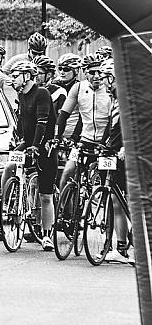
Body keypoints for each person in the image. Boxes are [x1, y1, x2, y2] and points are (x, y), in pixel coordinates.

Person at [1, 61, 58, 251]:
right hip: (30, 142)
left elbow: (42, 122)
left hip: (45, 145)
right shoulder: (21, 95)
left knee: (45, 195)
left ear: (26, 76)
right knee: (10, 166)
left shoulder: (41, 93)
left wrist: (35, 146)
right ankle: (10, 205)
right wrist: (16, 142)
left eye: (15, 75)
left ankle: (47, 234)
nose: (12, 79)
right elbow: (22, 122)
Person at [55, 54, 111, 192]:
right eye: (92, 72)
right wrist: (56, 137)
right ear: (85, 72)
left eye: (100, 72)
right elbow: (63, 115)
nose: (97, 76)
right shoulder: (78, 88)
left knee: (107, 183)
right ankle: (66, 212)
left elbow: (112, 121)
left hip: (106, 141)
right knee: (67, 172)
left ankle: (107, 209)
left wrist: (104, 143)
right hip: (85, 140)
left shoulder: (109, 90)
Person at [98, 59, 134, 265]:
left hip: (131, 155)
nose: (103, 82)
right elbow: (111, 129)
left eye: (105, 78)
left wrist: (126, 147)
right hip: (116, 155)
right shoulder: (115, 98)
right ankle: (121, 248)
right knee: (116, 200)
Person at [53, 53, 83, 141]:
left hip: (71, 134)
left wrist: (74, 137)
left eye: (66, 69)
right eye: (60, 68)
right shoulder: (54, 85)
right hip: (55, 134)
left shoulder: (80, 88)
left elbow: (83, 117)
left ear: (76, 71)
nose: (62, 72)